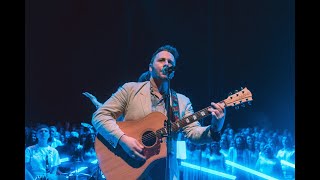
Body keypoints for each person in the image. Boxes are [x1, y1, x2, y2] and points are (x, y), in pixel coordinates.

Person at [91, 44, 226, 180]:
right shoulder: (130, 90)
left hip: (165, 173)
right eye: (161, 60)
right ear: (150, 67)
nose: (166, 64)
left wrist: (215, 127)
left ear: (173, 72)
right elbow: (100, 116)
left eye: (170, 62)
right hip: (129, 168)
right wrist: (123, 139)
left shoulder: (182, 101)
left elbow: (193, 133)